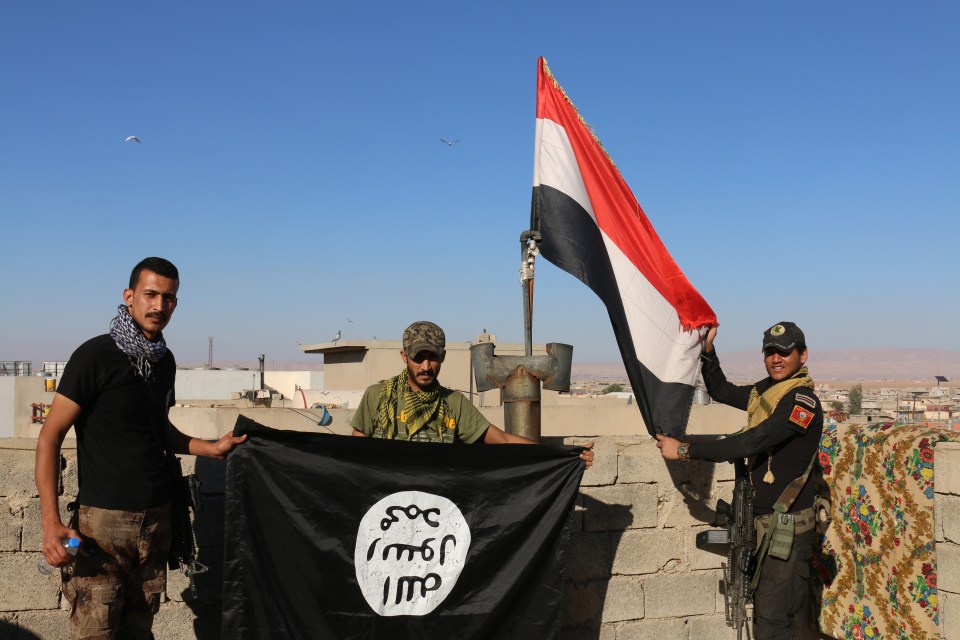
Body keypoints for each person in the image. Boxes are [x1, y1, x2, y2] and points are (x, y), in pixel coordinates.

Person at [35, 257, 247, 640]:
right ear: (129, 296)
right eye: (150, 295)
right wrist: (51, 522)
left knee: (139, 631)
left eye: (168, 298)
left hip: (156, 523)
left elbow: (156, 429)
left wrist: (209, 448)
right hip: (102, 527)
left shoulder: (163, 362)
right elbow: (49, 436)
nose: (159, 306)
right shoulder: (95, 356)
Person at [656, 321, 823, 640]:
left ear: (803, 356)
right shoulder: (767, 392)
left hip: (784, 528)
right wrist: (707, 351)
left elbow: (752, 441)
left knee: (774, 620)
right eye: (770, 352)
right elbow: (721, 390)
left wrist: (685, 451)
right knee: (765, 612)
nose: (776, 358)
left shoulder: (802, 402)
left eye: (785, 352)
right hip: (762, 523)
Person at [351, 320, 593, 467]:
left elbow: (505, 441)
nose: (425, 367)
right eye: (418, 358)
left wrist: (564, 456)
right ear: (405, 357)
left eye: (432, 357)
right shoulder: (377, 397)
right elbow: (353, 457)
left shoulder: (453, 404)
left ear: (442, 357)